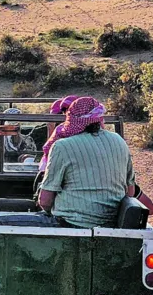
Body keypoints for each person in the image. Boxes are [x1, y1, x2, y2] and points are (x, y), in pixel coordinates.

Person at [37, 96, 136, 228]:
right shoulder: (119, 141)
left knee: (0, 222)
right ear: (99, 118)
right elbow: (130, 190)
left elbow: (45, 201)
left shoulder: (62, 146)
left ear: (72, 119)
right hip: (111, 223)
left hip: (69, 223)